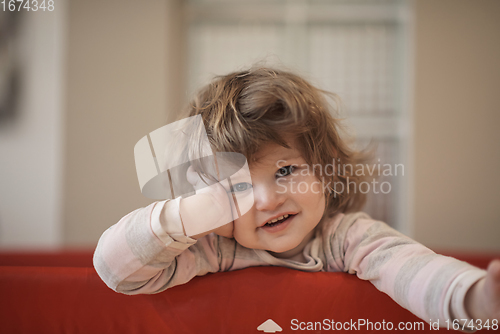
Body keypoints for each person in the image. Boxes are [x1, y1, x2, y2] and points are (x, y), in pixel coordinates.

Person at [93, 67, 499, 330]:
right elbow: (116, 272)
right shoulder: (214, 248)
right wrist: (180, 219)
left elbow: (410, 269)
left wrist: (476, 298)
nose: (269, 200)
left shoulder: (345, 237)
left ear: (326, 168)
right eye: (238, 187)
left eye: (285, 170)